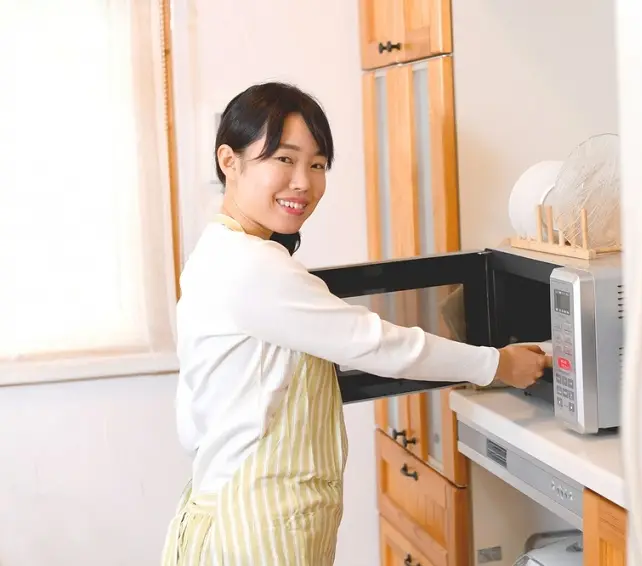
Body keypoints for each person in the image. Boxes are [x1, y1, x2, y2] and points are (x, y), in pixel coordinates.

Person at [161, 82, 550, 566]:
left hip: (212, 516)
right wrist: (496, 364)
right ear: (230, 160)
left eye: (318, 165)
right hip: (258, 532)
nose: (303, 181)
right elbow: (376, 344)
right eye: (284, 159)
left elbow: (191, 422)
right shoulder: (251, 266)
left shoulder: (212, 253)